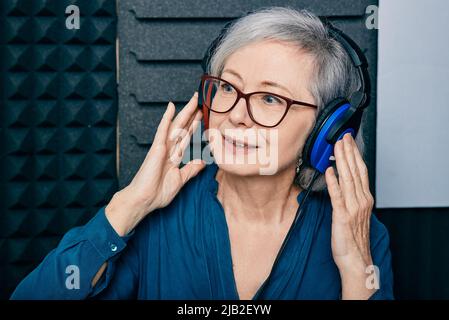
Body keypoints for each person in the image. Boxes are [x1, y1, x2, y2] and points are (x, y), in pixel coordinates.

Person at [11, 7, 393, 300]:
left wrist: (356, 267)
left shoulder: (361, 233)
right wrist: (127, 206)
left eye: (270, 98)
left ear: (325, 130)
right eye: (228, 88)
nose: (237, 115)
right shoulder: (154, 220)